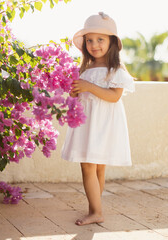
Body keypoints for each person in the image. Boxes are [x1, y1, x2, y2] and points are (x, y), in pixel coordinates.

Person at [61, 12, 135, 226]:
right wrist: (75, 91)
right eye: (89, 40)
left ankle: (96, 211)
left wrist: (89, 87)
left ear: (112, 42)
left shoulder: (116, 69)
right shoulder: (84, 68)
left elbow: (114, 96)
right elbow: (79, 94)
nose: (94, 45)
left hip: (104, 124)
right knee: (94, 167)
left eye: (100, 40)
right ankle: (96, 206)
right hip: (88, 123)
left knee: (91, 167)